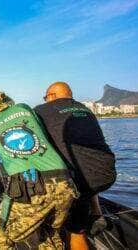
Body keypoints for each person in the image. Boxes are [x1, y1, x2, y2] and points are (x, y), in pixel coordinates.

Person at [0, 91, 78, 249]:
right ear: (7, 101)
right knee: (47, 232)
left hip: (33, 187)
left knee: (0, 237)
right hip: (64, 183)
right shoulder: (24, 108)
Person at [34, 82, 116, 249]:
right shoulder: (86, 110)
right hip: (107, 173)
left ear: (51, 96)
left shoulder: (41, 110)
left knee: (75, 232)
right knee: (87, 168)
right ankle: (96, 213)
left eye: (46, 97)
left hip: (80, 181)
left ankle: (75, 231)